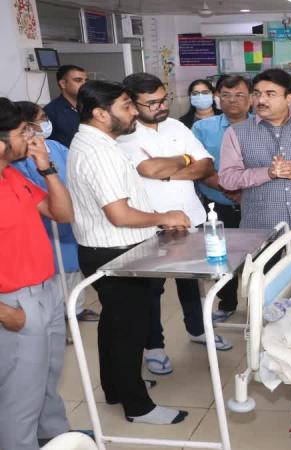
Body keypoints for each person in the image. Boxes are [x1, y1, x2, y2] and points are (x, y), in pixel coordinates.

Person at [68, 80, 190, 425]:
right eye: (126, 106)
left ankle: (116, 387)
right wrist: (163, 217)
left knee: (114, 325)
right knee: (130, 331)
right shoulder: (100, 152)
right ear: (100, 113)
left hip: (104, 248)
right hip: (115, 252)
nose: (134, 111)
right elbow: (119, 215)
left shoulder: (93, 142)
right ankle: (138, 407)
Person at [119, 73, 232, 376]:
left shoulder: (177, 126)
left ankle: (198, 329)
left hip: (190, 216)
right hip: (152, 223)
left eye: (163, 99)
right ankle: (154, 346)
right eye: (152, 103)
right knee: (151, 289)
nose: (161, 106)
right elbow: (149, 168)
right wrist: (185, 160)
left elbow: (205, 165)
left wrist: (169, 169)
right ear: (133, 104)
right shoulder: (124, 135)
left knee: (192, 280)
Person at [0, 98, 74, 450]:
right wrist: (5, 313)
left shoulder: (12, 175)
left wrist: (46, 168)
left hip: (46, 289)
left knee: (46, 377)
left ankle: (55, 438)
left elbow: (62, 214)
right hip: (14, 303)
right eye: (21, 132)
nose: (30, 137)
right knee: (19, 397)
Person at [219, 68, 291, 258]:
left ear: (289, 98)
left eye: (270, 94)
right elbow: (227, 179)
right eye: (257, 94)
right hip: (259, 227)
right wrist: (267, 173)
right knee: (262, 276)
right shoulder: (236, 132)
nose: (261, 100)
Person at [11, 101, 99, 322]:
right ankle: (62, 312)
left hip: (70, 212)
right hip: (46, 223)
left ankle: (76, 309)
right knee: (56, 269)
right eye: (41, 118)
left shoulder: (56, 147)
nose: (46, 122)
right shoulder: (19, 163)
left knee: (73, 267)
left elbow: (77, 170)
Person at [192, 75, 251, 323]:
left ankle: (261, 303)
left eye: (239, 95)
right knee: (222, 256)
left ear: (250, 98)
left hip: (256, 204)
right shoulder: (202, 128)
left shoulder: (263, 127)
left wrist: (245, 191)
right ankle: (227, 303)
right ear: (217, 98)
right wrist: (229, 188)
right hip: (218, 205)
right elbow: (199, 167)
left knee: (261, 256)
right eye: (225, 95)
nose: (232, 100)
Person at [43, 65, 88, 147]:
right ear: (63, 84)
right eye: (78, 80)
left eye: (86, 80)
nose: (84, 84)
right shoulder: (50, 112)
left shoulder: (91, 107)